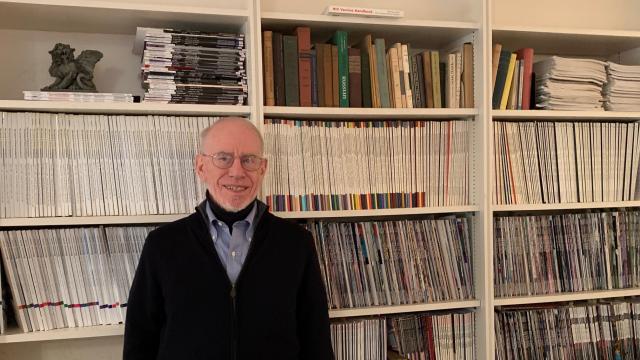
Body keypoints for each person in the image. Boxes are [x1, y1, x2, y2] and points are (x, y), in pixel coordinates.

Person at [123, 117, 333, 359]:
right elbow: (140, 340)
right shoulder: (162, 245)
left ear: (262, 169)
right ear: (201, 167)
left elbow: (315, 337)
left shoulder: (297, 244)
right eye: (223, 158)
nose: (237, 172)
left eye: (249, 160)